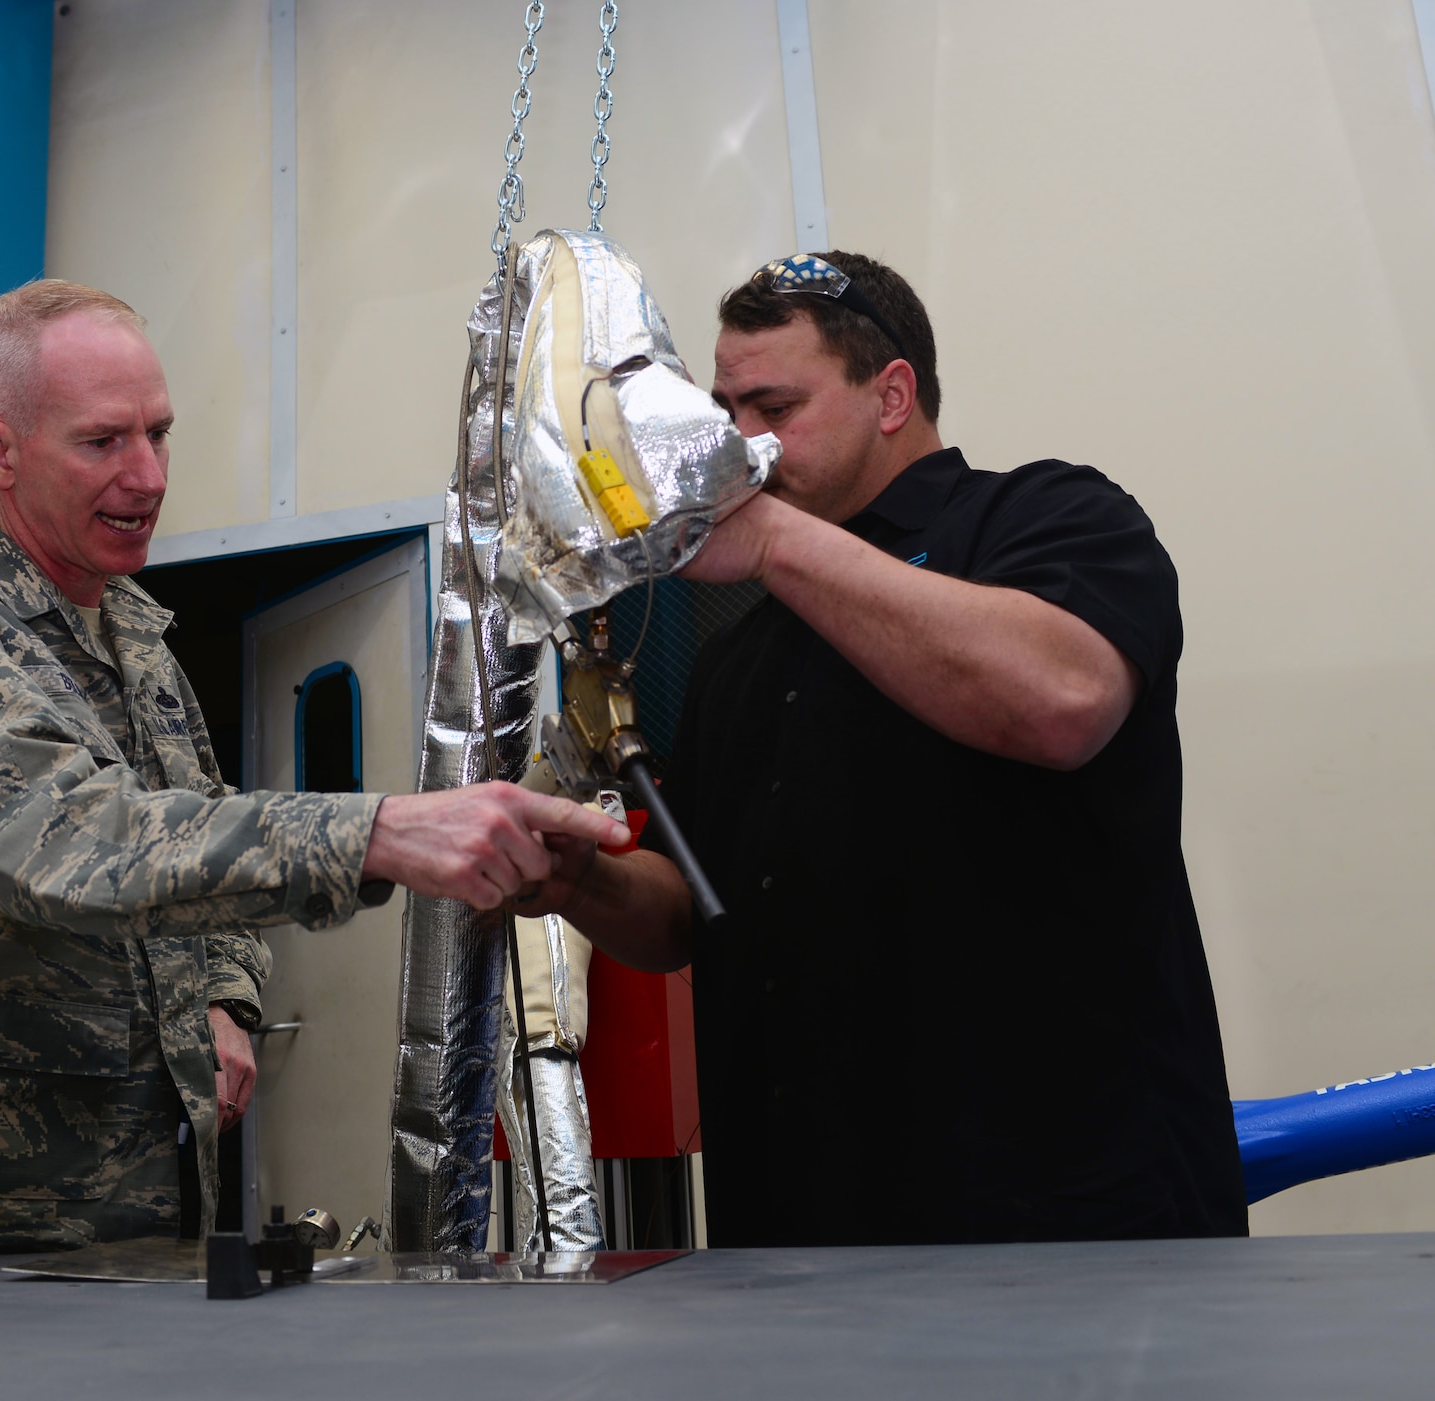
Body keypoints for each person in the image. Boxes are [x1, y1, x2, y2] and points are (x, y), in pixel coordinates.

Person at [0, 280, 621, 1258]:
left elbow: (196, 837)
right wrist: (384, 832)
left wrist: (222, 999)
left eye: (159, 433)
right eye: (103, 441)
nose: (146, 475)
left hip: (139, 1222)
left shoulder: (136, 636)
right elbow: (57, 841)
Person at [521, 252, 1247, 1246]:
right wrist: (576, 881)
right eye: (722, 410)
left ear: (890, 395)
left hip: (1056, 1232)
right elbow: (688, 912)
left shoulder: (1048, 519)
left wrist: (774, 543)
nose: (736, 444)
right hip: (798, 1233)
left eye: (771, 407)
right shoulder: (738, 654)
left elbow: (1061, 699)